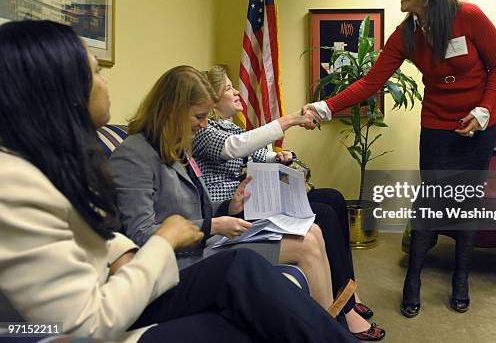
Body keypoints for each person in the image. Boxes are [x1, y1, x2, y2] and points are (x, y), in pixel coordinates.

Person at [0, 20, 356, 342]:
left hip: (156, 269)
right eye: (96, 72)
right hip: (108, 309)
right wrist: (165, 238)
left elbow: (93, 231)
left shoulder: (57, 161)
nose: (106, 81)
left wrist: (122, 251)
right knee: (242, 276)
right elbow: (80, 321)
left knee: (264, 256)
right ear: (61, 91)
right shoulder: (20, 182)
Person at [304, 0, 496, 317]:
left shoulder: (470, 16)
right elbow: (371, 81)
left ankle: (461, 278)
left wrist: (484, 109)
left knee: (467, 203)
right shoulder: (408, 34)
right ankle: (413, 278)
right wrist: (325, 108)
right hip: (437, 126)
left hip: (479, 125)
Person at [109, 65, 354, 318]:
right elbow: (140, 234)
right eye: (199, 116)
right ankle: (331, 328)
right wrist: (213, 225)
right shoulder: (133, 155)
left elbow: (198, 208)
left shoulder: (176, 148)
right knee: (305, 246)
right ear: (173, 111)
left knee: (312, 231)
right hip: (183, 260)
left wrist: (228, 207)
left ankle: (332, 322)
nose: (204, 125)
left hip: (207, 244)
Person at [192, 65, 384, 341]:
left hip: (252, 200)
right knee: (323, 214)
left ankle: (349, 293)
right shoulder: (206, 131)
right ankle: (345, 311)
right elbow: (235, 147)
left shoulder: (232, 127)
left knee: (332, 198)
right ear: (210, 99)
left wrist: (279, 159)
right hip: (232, 211)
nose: (236, 92)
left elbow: (257, 152)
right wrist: (291, 120)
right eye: (228, 88)